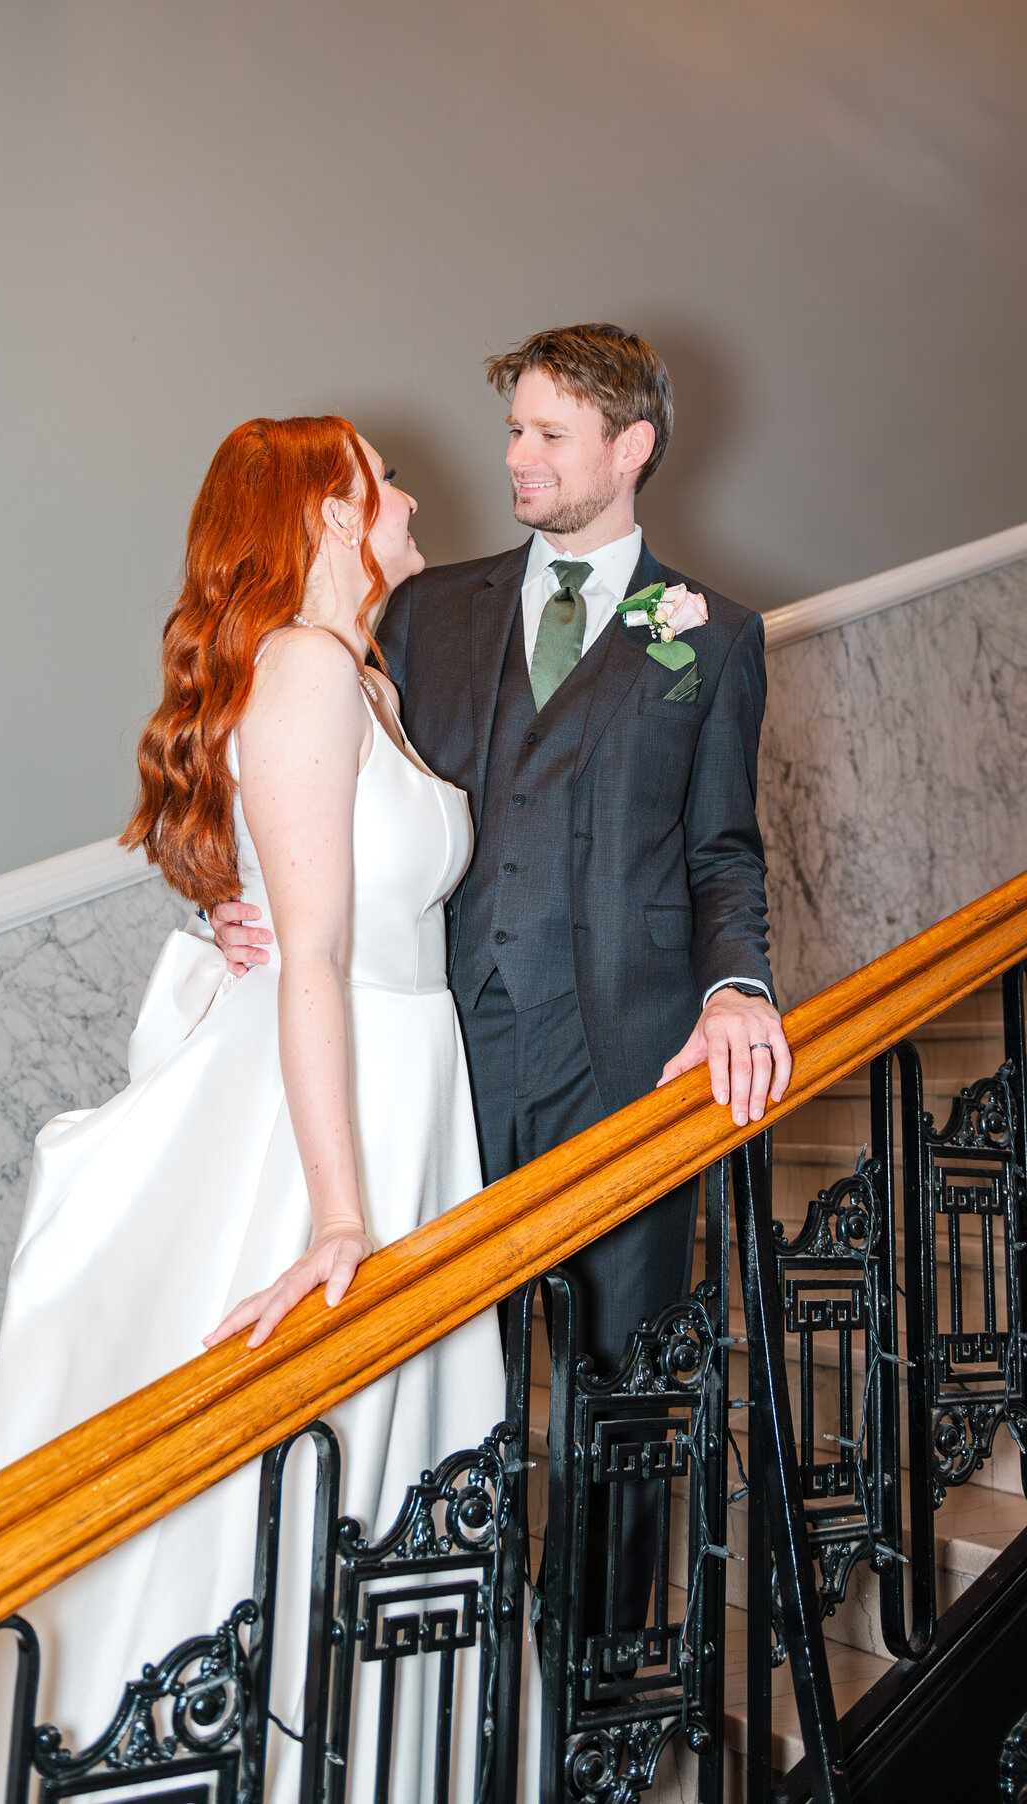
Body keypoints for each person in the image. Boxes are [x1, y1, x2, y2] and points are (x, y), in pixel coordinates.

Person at [0, 416, 517, 1802]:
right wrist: (335, 1213)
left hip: (399, 1077)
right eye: (383, 477)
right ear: (330, 512)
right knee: (260, 1481)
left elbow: (297, 903)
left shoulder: (358, 675)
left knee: (371, 1476)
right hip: (337, 1114)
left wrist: (228, 924)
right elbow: (314, 950)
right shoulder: (308, 669)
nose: (415, 490)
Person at [212, 326, 792, 1661]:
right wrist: (232, 892)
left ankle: (597, 1692)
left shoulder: (716, 634)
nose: (516, 459)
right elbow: (311, 782)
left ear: (631, 447)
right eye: (514, 430)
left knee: (623, 1396)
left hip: (628, 1066)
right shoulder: (426, 607)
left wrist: (738, 988)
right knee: (437, 1403)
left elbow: (721, 850)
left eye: (547, 435)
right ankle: (453, 1694)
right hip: (439, 1069)